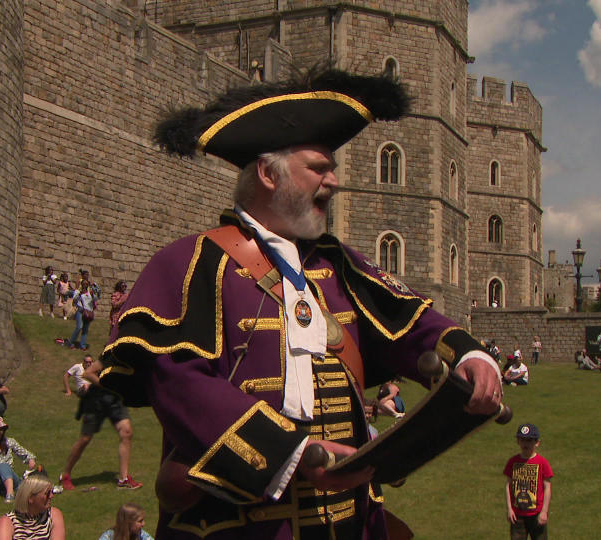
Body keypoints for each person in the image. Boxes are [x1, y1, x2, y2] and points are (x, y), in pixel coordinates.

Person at [91, 68, 501, 539]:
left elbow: (409, 322)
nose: (334, 181)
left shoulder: (340, 265)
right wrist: (292, 454)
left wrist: (470, 356)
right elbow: (178, 382)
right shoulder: (192, 262)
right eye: (318, 168)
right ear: (268, 173)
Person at [57, 383, 142, 491]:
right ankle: (65, 475)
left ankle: (123, 480)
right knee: (85, 439)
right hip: (95, 399)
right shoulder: (98, 366)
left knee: (126, 432)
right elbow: (88, 372)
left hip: (114, 397)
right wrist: (103, 382)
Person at [503, 423, 553, 540]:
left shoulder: (542, 463)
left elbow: (547, 487)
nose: (526, 444)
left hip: (537, 514)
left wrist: (544, 511)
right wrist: (510, 509)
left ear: (537, 443)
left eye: (529, 440)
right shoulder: (513, 462)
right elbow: (508, 486)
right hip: (517, 515)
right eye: (523, 440)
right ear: (518, 441)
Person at [0, 473, 65, 540]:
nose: (51, 496)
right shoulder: (7, 522)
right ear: (30, 498)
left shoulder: (53, 515)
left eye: (52, 492)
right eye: (47, 494)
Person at [64, 278, 96, 350]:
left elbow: (96, 298)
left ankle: (83, 345)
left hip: (89, 311)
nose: (85, 285)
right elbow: (75, 300)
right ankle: (71, 342)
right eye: (84, 284)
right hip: (81, 311)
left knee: (85, 329)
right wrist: (80, 295)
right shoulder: (78, 292)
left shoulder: (90, 292)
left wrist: (93, 290)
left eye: (86, 284)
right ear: (82, 284)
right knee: (79, 327)